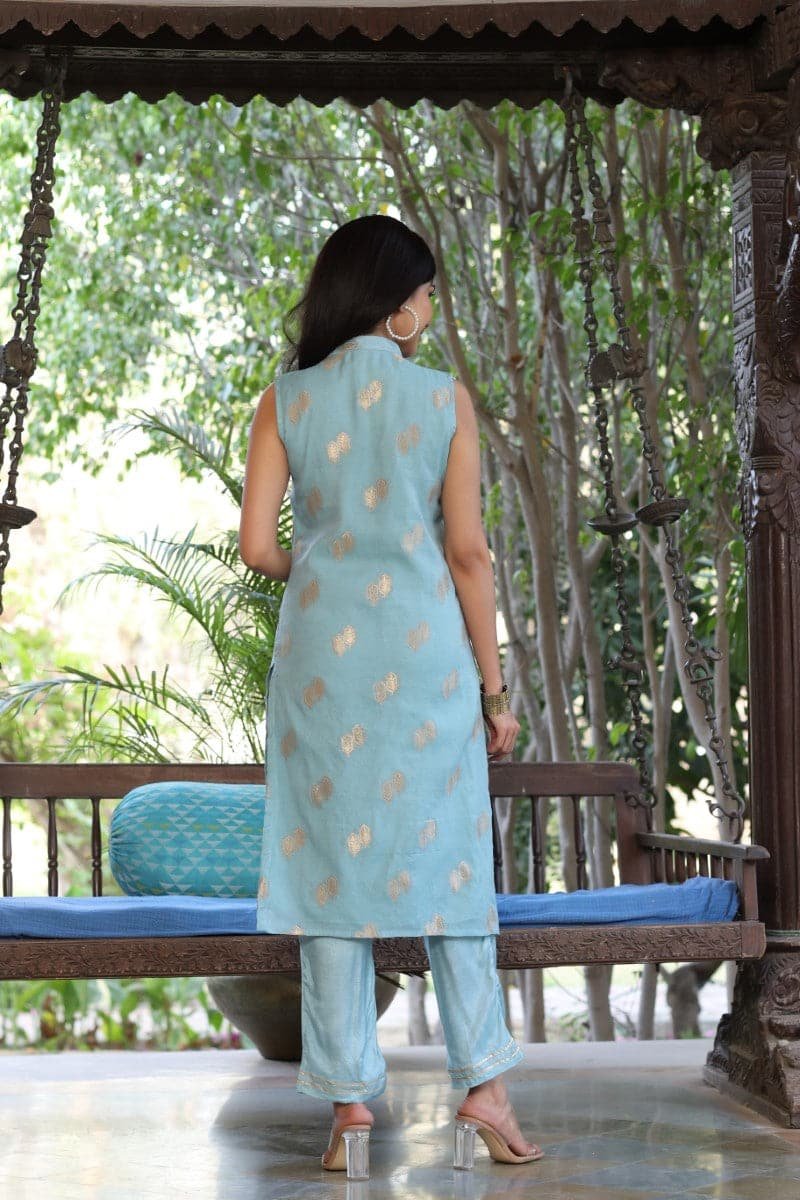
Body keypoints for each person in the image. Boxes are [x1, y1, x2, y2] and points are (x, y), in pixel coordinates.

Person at [238, 214, 541, 1178]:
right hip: (425, 668)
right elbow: (469, 555)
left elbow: (256, 548)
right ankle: (484, 1086)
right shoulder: (443, 399)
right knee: (454, 869)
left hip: (321, 670)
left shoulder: (285, 399)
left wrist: (324, 566)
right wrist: (495, 691)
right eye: (427, 294)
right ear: (397, 304)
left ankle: (349, 1107)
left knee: (329, 876)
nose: (430, 309)